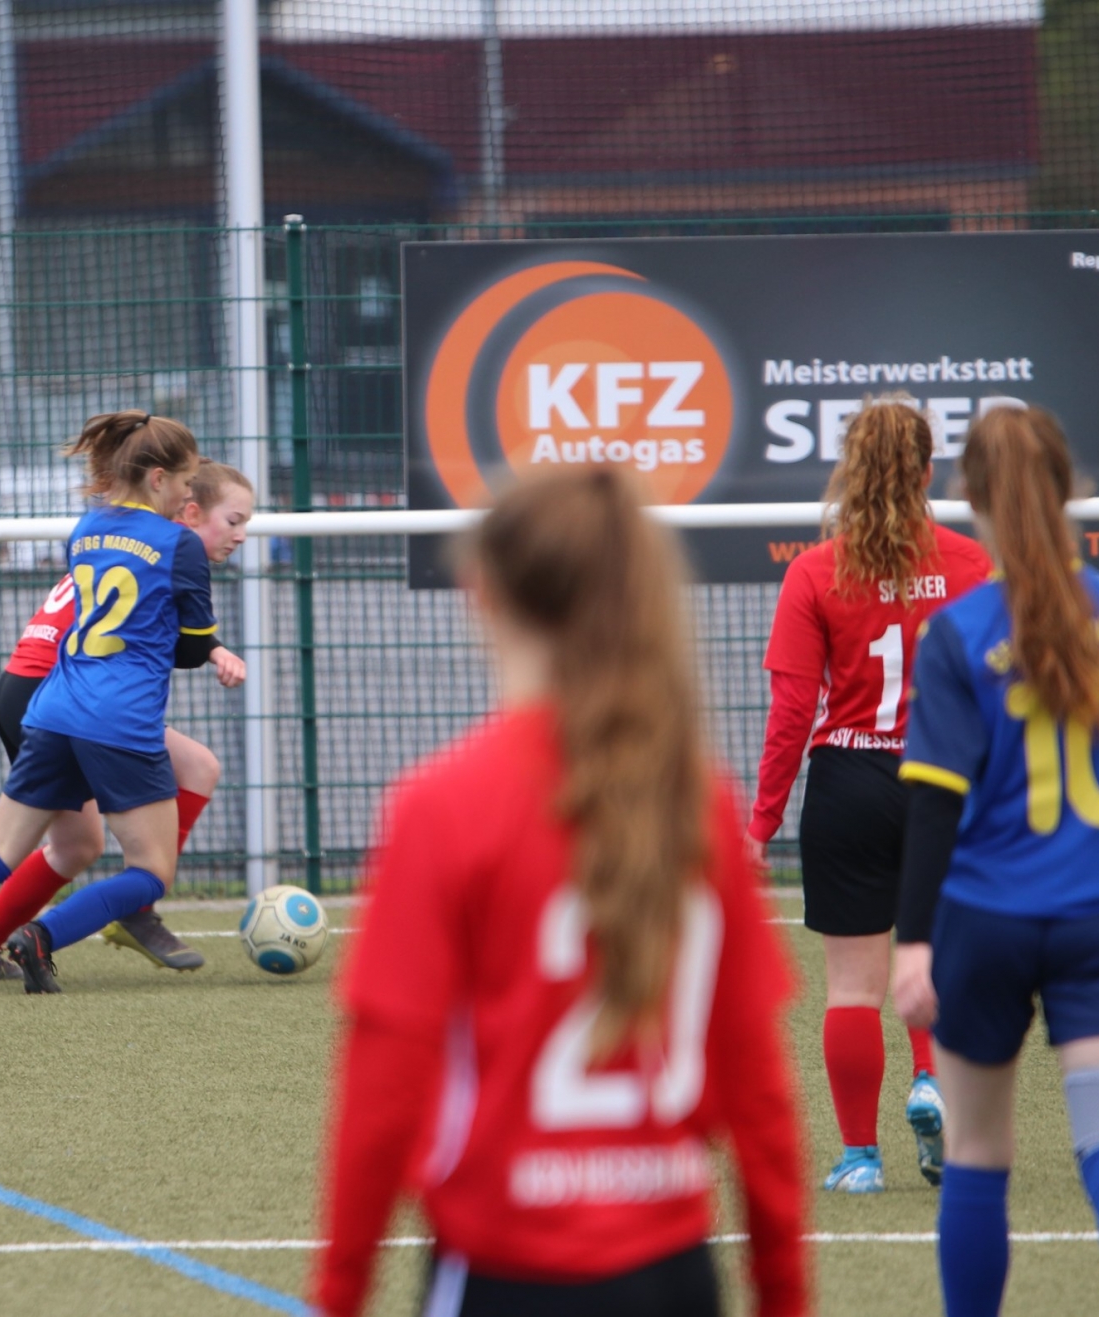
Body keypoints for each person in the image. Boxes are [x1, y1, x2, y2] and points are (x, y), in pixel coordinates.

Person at [311, 467, 810, 1317]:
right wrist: (786, 1299)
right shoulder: (700, 801)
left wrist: (338, 1295)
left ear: (482, 592)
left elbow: (383, 1094)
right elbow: (761, 1098)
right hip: (674, 1279)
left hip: (506, 1274)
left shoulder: (442, 806)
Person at [890, 406, 1099, 1317]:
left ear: (968, 496)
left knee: (976, 1153)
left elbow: (934, 802)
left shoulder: (961, 629)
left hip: (986, 920)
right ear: (1066, 487)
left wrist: (912, 943)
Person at [0, 411, 226, 995]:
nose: (190, 496)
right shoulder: (180, 543)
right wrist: (208, 646)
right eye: (186, 483)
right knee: (151, 872)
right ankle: (40, 936)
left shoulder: (87, 527)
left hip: (53, 709)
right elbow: (188, 650)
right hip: (121, 721)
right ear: (158, 478)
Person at [750, 398, 992, 1194]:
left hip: (847, 785)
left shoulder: (814, 570)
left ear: (849, 472)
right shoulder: (971, 564)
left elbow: (792, 711)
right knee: (938, 954)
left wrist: (761, 822)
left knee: (851, 986)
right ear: (928, 472)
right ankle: (932, 1079)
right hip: (944, 781)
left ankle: (859, 1159)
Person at [0, 462, 254, 979]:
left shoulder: (128, 539)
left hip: (43, 687)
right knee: (72, 845)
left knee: (193, 770)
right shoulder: (162, 550)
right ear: (188, 510)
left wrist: (212, 647)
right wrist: (213, 649)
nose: (241, 535)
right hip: (59, 694)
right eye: (234, 521)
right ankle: (119, 912)